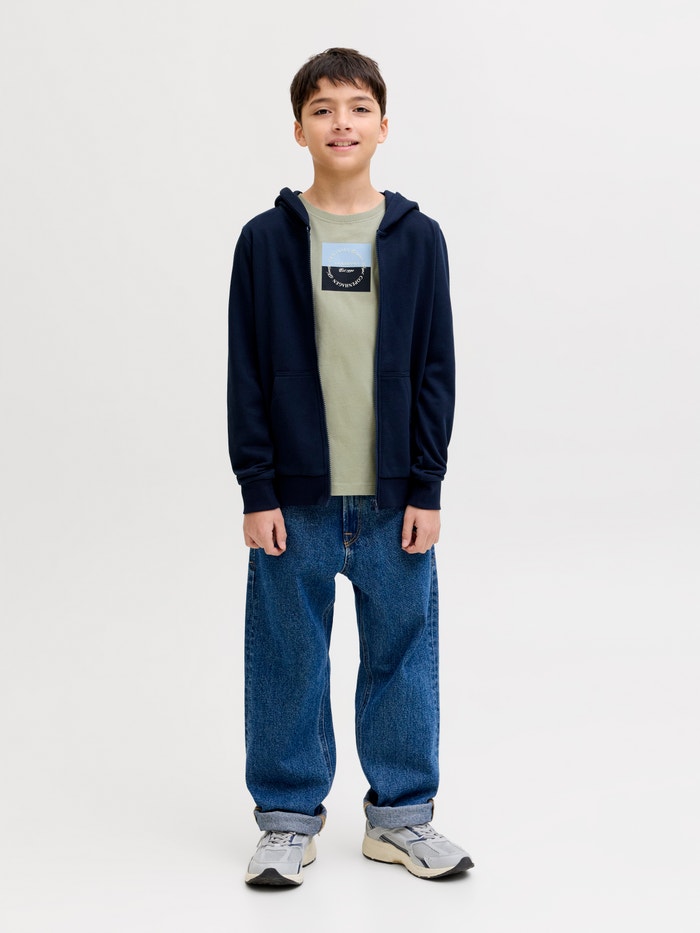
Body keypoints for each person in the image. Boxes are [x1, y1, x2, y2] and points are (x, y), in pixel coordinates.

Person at [227, 47, 474, 886]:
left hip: (394, 498)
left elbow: (436, 368)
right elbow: (247, 372)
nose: (342, 122)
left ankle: (400, 820)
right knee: (287, 658)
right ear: (299, 129)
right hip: (293, 500)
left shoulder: (419, 239)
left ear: (384, 125)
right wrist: (257, 487)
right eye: (323, 108)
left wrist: (428, 485)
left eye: (359, 107)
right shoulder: (265, 241)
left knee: (402, 656)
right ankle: (287, 821)